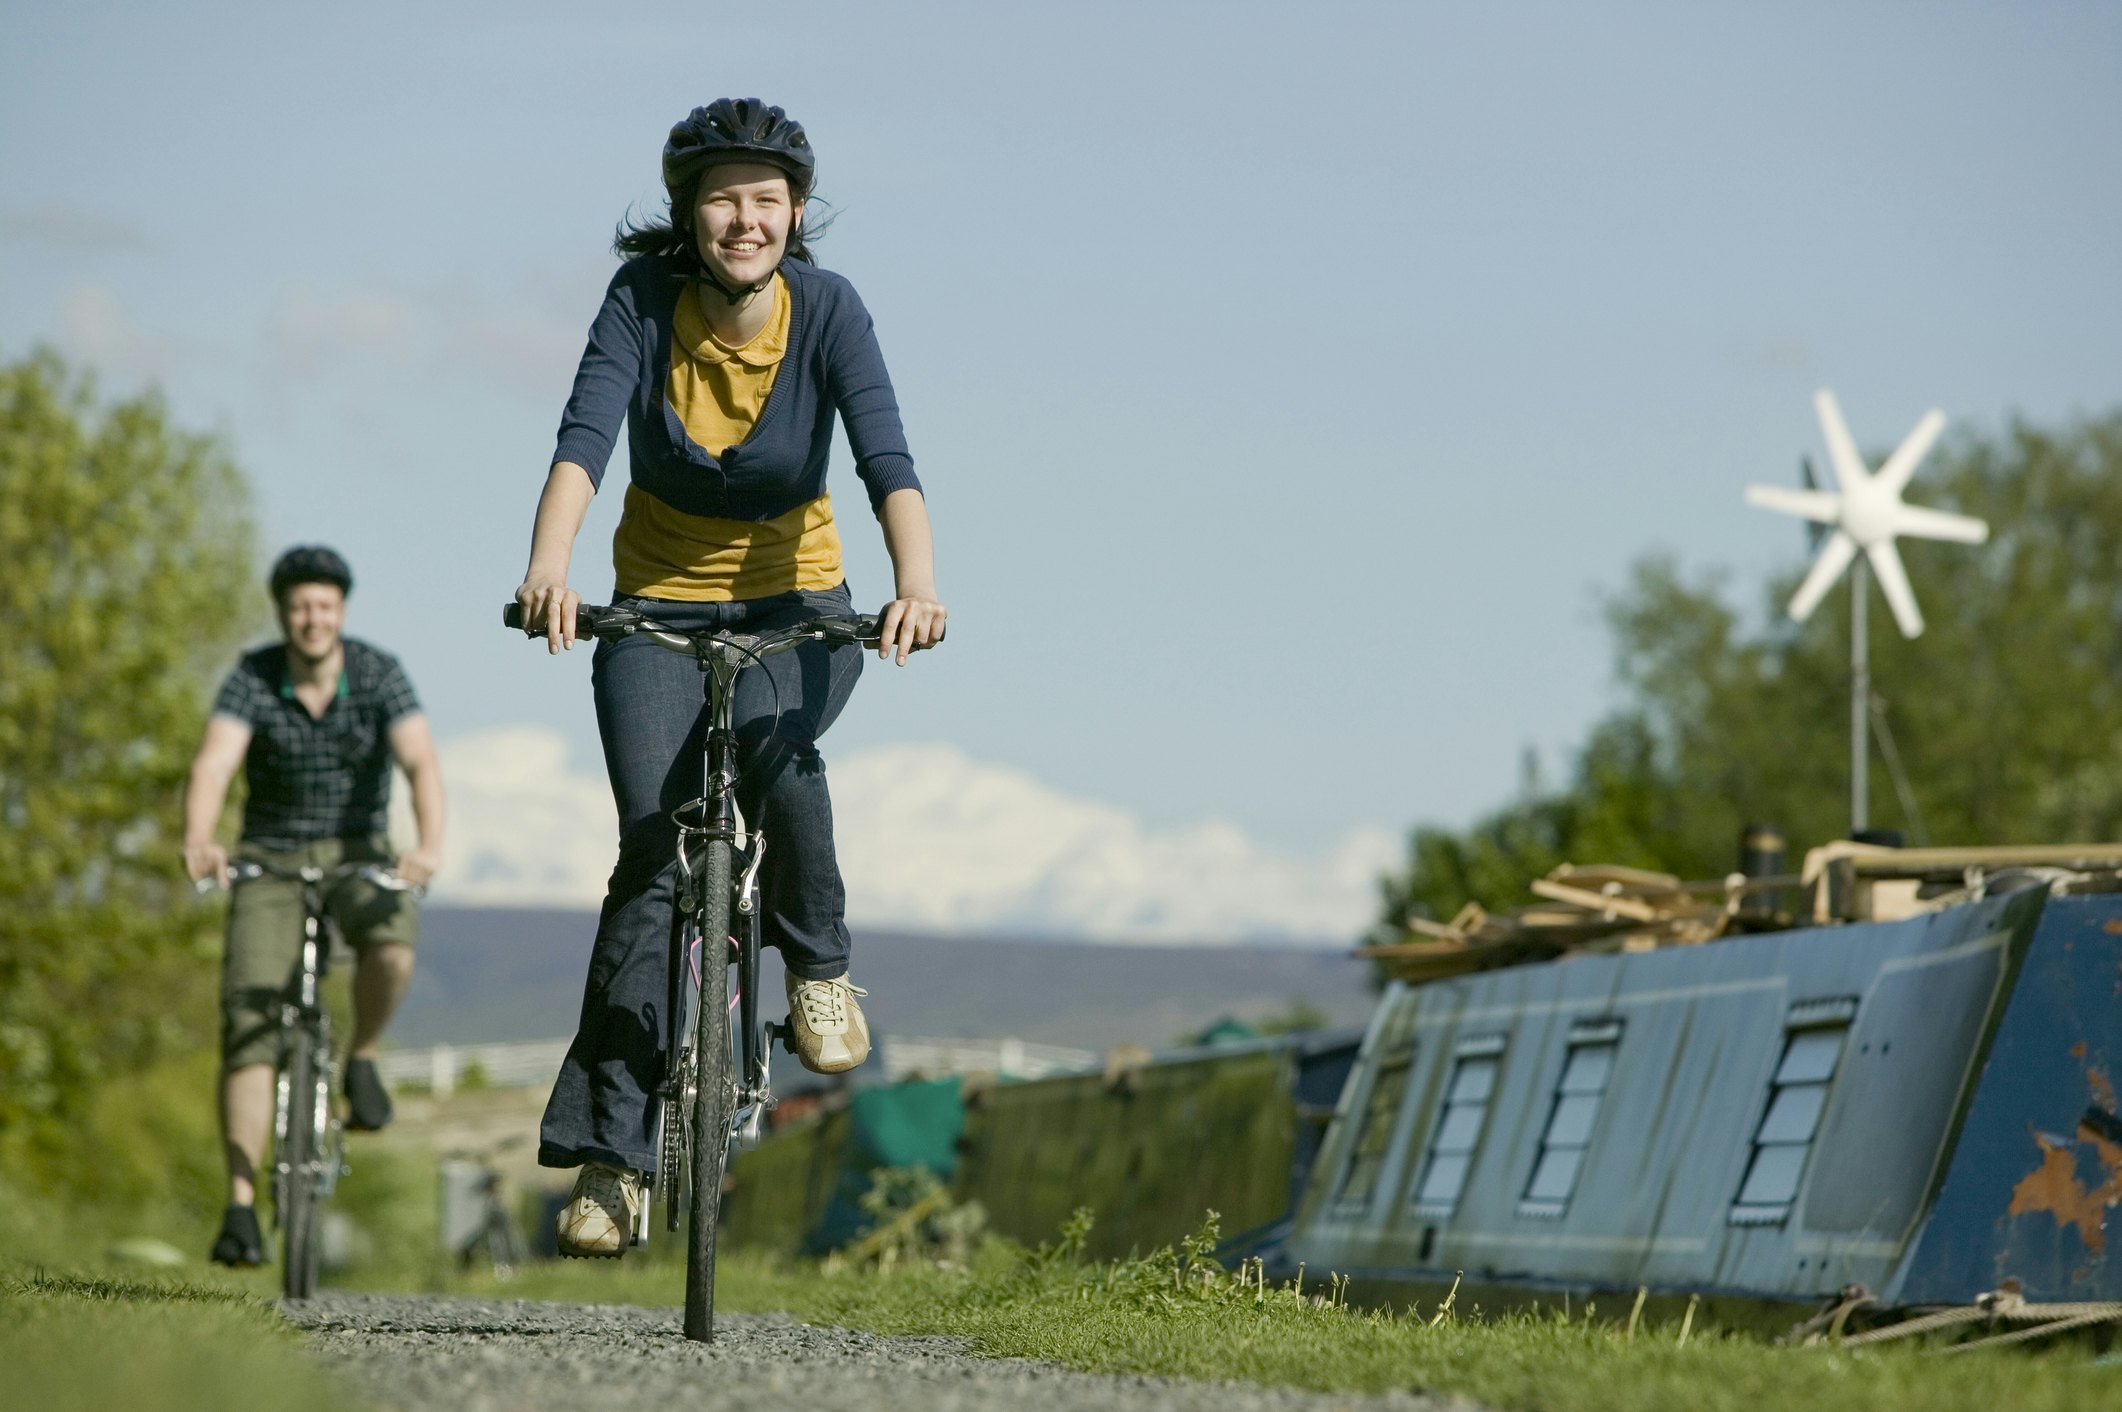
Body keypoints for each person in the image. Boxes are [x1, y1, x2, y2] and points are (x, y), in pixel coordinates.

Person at [514, 98, 947, 1258]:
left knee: (778, 755)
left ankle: (818, 966)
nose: (743, 219)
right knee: (654, 850)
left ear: (793, 213)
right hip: (652, 608)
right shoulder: (639, 304)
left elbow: (885, 455)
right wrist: (548, 567)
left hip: (795, 604)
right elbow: (582, 439)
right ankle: (611, 1160)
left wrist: (917, 581)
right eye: (722, 198)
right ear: (687, 215)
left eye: (764, 198)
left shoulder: (831, 310)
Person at [183, 545, 446, 1266]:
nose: (311, 618)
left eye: (324, 606)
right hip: (268, 858)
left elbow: (420, 761)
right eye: (300, 606)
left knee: (391, 944)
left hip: (359, 852)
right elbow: (214, 762)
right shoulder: (253, 678)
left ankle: (359, 1058)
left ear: (341, 611)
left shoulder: (377, 672)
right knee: (250, 1022)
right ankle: (240, 1207)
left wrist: (425, 846)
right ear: (282, 612)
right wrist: (199, 838)